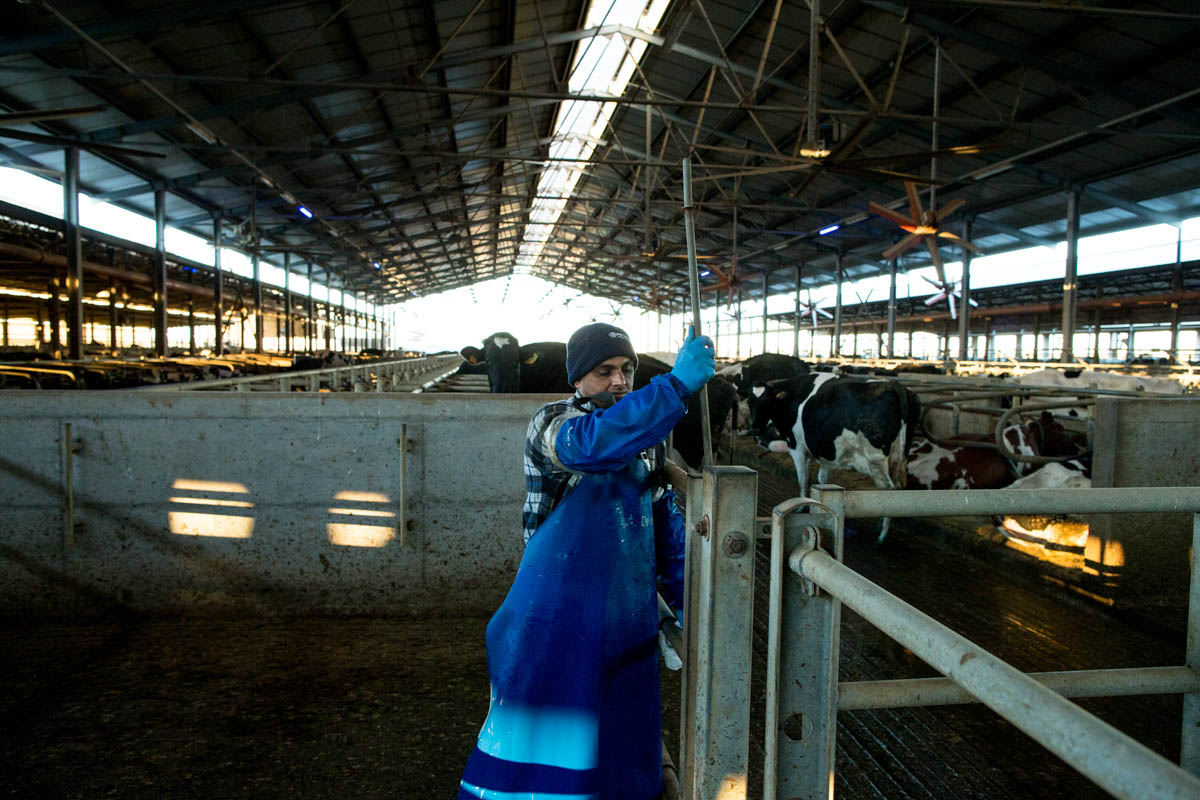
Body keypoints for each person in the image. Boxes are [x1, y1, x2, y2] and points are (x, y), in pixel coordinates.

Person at [458, 321, 716, 800]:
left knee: (618, 740)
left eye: (627, 370)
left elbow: (665, 524)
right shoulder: (553, 422)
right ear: (577, 378)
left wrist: (687, 600)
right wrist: (675, 387)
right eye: (604, 371)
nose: (619, 381)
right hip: (554, 619)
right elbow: (592, 447)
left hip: (623, 621)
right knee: (544, 741)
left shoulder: (648, 436)